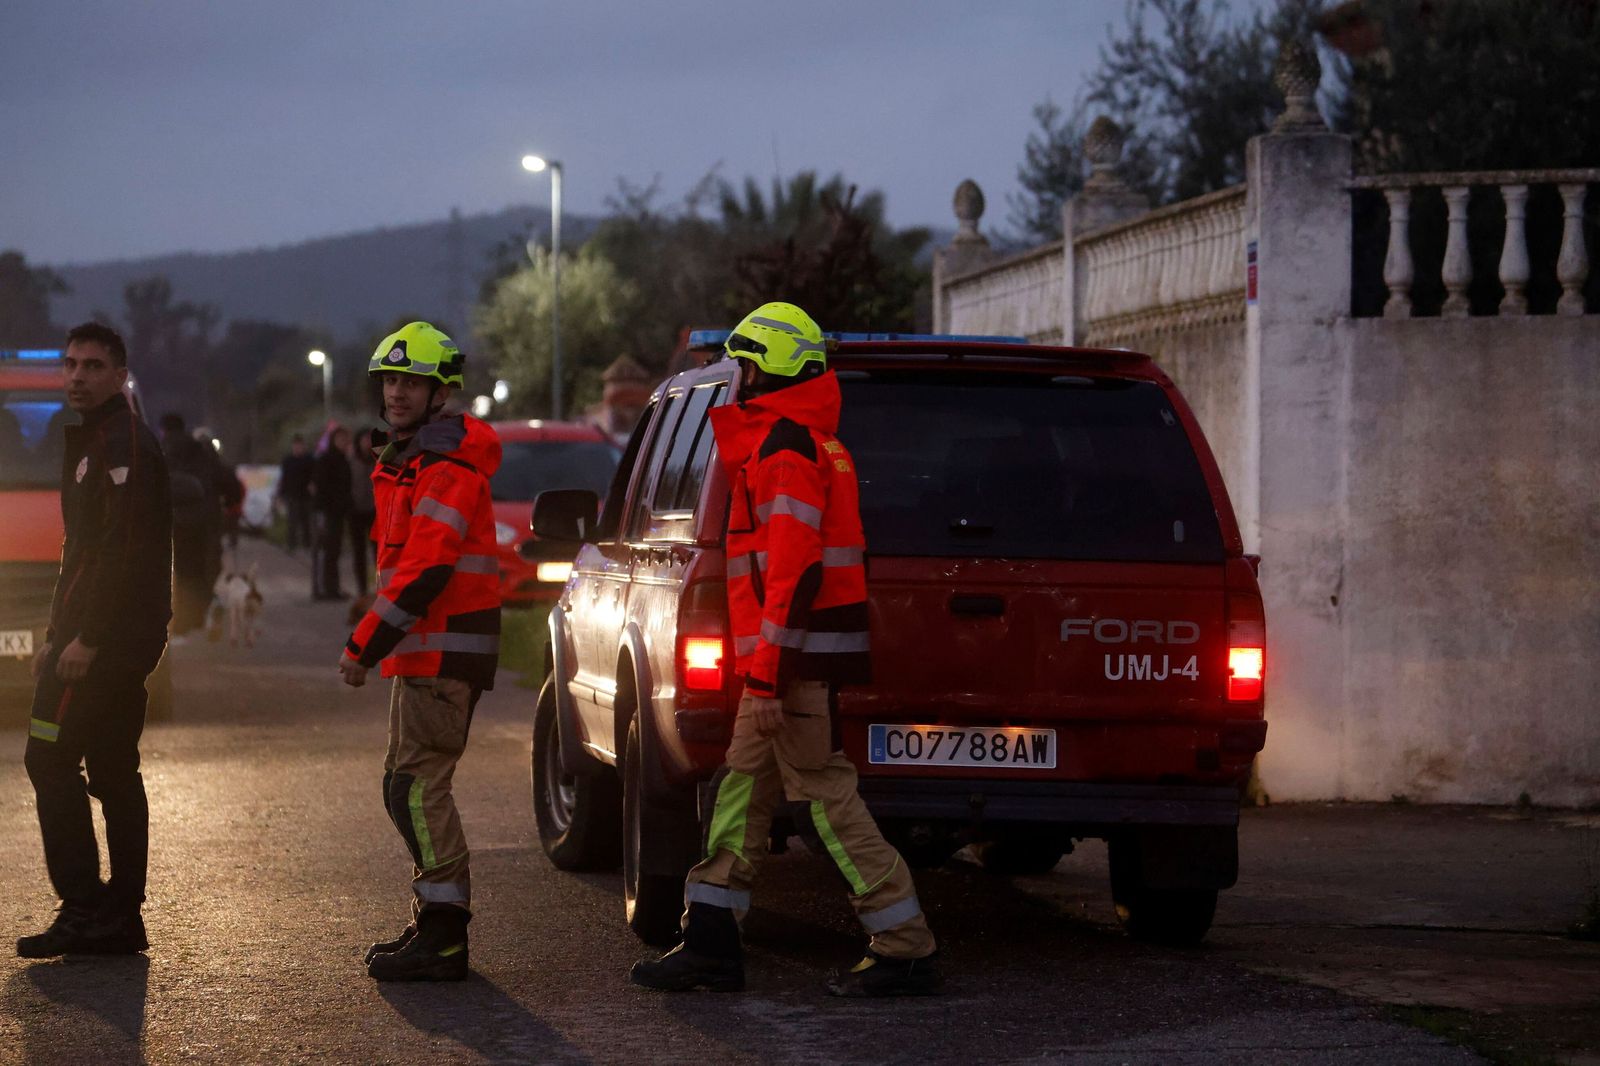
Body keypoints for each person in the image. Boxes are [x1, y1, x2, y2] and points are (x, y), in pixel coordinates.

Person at [630, 302, 941, 997]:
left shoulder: (786, 451)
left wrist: (768, 678)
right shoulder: (798, 444)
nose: (737, 379)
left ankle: (905, 944)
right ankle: (711, 939)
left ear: (765, 370)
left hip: (789, 669)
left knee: (823, 800)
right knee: (740, 790)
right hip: (786, 664)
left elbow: (793, 572)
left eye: (744, 366)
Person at [339, 321, 502, 982]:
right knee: (402, 787)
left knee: (416, 788)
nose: (397, 393)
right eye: (390, 380)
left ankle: (444, 935)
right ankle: (434, 918)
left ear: (441, 392)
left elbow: (426, 570)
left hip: (442, 657)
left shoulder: (445, 467)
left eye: (412, 382)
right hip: (425, 655)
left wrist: (364, 645)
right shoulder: (413, 461)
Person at [19, 322, 171, 958]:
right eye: (71, 364)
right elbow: (78, 553)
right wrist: (57, 634)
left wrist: (86, 638)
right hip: (93, 637)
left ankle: (84, 908)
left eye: (92, 365)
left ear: (119, 375)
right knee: (112, 768)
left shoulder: (123, 442)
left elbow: (122, 551)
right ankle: (120, 918)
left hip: (106, 642)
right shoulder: (92, 437)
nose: (77, 375)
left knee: (47, 756)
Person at [161, 412, 226, 634]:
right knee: (197, 569)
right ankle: (199, 613)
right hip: (202, 520)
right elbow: (223, 479)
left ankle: (181, 620)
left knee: (176, 571)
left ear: (164, 429)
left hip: (173, 520)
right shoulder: (200, 450)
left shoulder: (163, 450)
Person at [311, 425, 353, 601]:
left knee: (334, 551)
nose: (343, 442)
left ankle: (333, 588)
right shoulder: (326, 460)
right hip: (326, 512)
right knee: (325, 551)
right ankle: (323, 589)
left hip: (338, 513)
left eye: (345, 439)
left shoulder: (344, 460)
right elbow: (321, 487)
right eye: (340, 439)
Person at [347, 427, 378, 598]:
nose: (367, 443)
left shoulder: (379, 460)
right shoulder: (351, 461)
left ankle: (380, 586)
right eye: (364, 439)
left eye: (369, 439)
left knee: (378, 552)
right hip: (356, 512)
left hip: (375, 512)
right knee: (359, 551)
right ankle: (362, 588)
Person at [276, 435, 315, 552]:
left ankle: (307, 544)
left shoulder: (309, 459)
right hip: (292, 495)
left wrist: (313, 484)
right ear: (293, 446)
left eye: (300, 446)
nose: (298, 448)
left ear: (303, 446)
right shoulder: (287, 461)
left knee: (306, 521)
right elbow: (284, 478)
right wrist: (281, 494)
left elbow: (315, 475)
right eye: (296, 445)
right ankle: (291, 544)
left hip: (306, 495)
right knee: (292, 521)